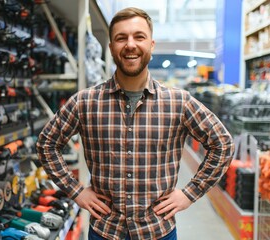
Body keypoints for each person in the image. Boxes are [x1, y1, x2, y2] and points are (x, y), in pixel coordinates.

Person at [36, 7, 234, 240]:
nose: (130, 45)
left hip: (158, 231)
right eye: (121, 38)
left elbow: (222, 144)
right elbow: (46, 144)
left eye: (139, 36)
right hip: (105, 231)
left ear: (151, 44)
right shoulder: (85, 102)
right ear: (111, 48)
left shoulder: (179, 102)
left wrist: (189, 193)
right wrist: (76, 191)